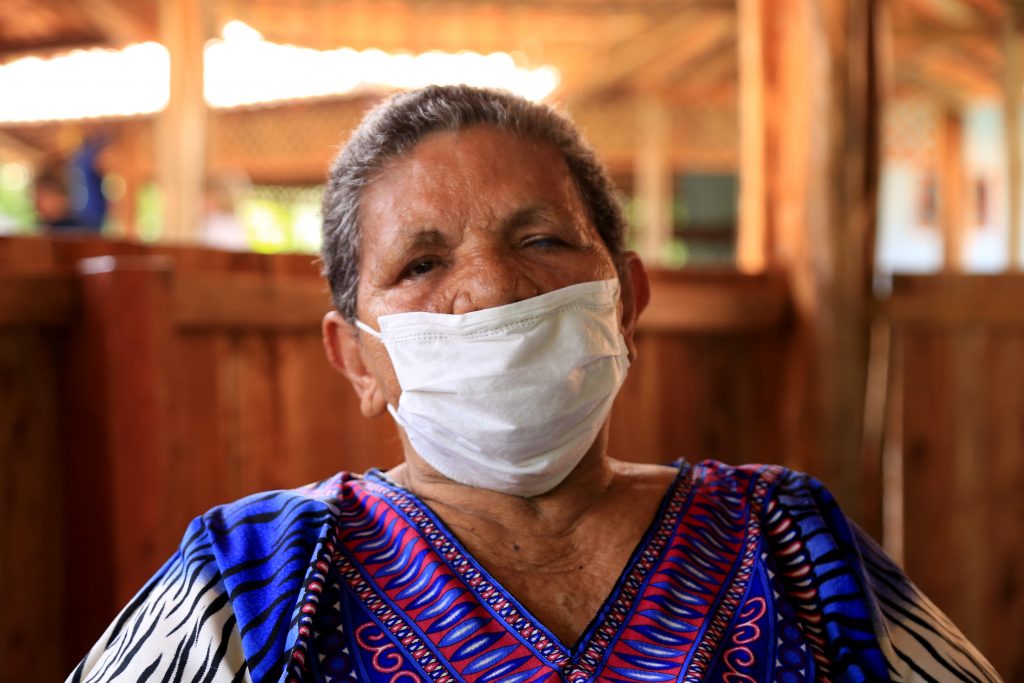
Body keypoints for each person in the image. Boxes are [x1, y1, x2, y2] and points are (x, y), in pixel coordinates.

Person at [69, 85, 1001, 683]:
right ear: (356, 356)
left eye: (542, 239)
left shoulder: (789, 540)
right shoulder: (251, 580)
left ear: (625, 300)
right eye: (423, 263)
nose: (491, 287)